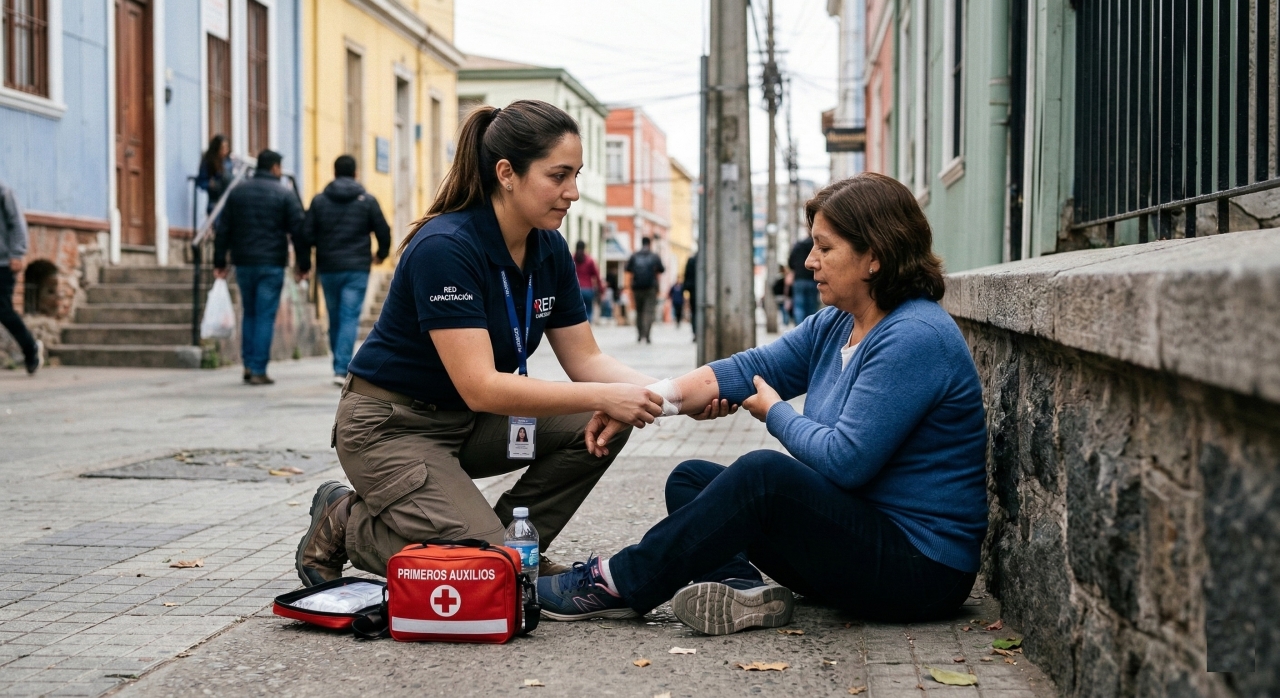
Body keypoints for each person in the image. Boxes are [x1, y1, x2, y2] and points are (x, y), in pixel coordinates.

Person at [537, 173, 988, 636]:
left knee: (763, 475)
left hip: (920, 570)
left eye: (824, 247)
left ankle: (615, 583)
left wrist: (776, 413)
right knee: (692, 480)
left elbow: (846, 461)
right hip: (858, 542)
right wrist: (647, 401)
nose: (810, 261)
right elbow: (746, 369)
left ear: (874, 256)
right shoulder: (837, 323)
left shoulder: (914, 335)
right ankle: (742, 589)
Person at [294, 100, 674, 587]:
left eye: (576, 175)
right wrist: (609, 395)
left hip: (468, 421)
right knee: (486, 572)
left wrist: (677, 392)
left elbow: (587, 359)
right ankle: (347, 522)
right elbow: (481, 387)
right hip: (392, 427)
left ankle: (514, 549)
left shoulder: (549, 247)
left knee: (605, 422)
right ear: (507, 174)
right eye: (558, 176)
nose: (573, 192)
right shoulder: (446, 247)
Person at [213, 149, 305, 386]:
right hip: (271, 263)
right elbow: (299, 231)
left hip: (244, 262)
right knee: (264, 315)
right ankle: (258, 368)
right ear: (274, 167)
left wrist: (219, 261)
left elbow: (224, 229)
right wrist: (303, 264)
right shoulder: (284, 194)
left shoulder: (238, 192)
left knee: (250, 313)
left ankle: (247, 363)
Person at [298, 155, 391, 385]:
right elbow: (383, 231)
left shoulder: (319, 201)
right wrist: (380, 255)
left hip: (328, 267)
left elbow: (305, 235)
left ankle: (338, 363)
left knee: (335, 316)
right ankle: (341, 368)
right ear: (355, 173)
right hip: (357, 268)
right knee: (349, 316)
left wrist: (306, 262)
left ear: (335, 172)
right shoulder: (367, 200)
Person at [0, 179, 41, 375]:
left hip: (3, 262)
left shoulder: (3, 192)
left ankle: (30, 348)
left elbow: (17, 222)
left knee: (3, 310)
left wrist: (17, 253)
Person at [625, 237, 664, 343]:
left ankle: (639, 334)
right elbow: (662, 269)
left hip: (637, 287)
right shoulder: (654, 256)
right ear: (649, 244)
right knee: (649, 311)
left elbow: (627, 268)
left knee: (639, 311)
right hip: (650, 288)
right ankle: (647, 335)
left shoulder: (634, 255)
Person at [196, 135, 234, 214]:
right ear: (217, 149)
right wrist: (210, 184)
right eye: (222, 148)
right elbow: (201, 182)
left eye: (227, 147)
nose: (225, 150)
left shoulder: (228, 161)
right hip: (215, 200)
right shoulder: (209, 162)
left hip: (228, 199)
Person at [789, 234, 818, 324]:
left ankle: (800, 327)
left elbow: (790, 262)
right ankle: (811, 327)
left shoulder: (799, 245)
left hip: (799, 279)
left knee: (799, 306)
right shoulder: (815, 245)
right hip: (812, 279)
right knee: (812, 306)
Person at [574, 240, 602, 323]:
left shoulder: (572, 259)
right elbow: (597, 276)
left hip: (576, 289)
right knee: (588, 310)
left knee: (576, 311)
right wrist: (601, 289)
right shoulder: (590, 260)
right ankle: (587, 325)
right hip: (588, 290)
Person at [683, 253, 697, 341]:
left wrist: (685, 288)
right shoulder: (707, 258)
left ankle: (695, 333)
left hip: (693, 290)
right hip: (705, 290)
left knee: (694, 312)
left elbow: (686, 275)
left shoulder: (692, 260)